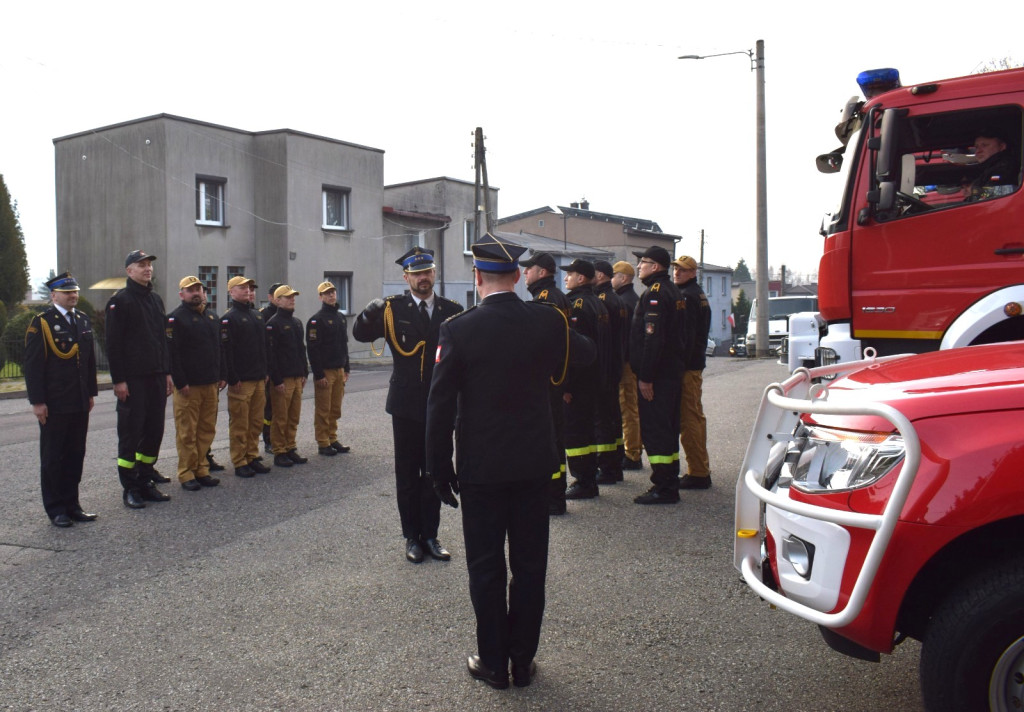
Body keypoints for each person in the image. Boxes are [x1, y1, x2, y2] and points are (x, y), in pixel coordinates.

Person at [425, 233, 595, 690]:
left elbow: (439, 407)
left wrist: (440, 470)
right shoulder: (547, 321)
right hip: (534, 464)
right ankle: (523, 660)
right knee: (529, 566)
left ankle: (494, 663)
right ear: (519, 276)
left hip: (481, 468)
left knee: (485, 566)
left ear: (477, 277)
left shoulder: (457, 329)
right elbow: (587, 355)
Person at [352, 247, 463, 564]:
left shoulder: (451, 309)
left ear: (434, 274)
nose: (422, 278)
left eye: (427, 272)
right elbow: (360, 334)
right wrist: (367, 313)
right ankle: (411, 537)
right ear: (406, 278)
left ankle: (431, 534)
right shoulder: (391, 310)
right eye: (416, 274)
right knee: (407, 474)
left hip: (440, 405)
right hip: (405, 405)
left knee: (434, 471)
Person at [23, 271, 98, 527]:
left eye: (75, 291)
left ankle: (72, 503)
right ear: (54, 295)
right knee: (54, 456)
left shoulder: (83, 320)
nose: (73, 296)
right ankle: (56, 508)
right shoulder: (42, 323)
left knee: (76, 453)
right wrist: (38, 402)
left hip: (78, 400)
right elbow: (33, 366)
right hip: (54, 403)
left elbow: (88, 362)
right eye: (67, 292)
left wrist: (90, 392)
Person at [105, 250, 174, 508]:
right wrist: (119, 380)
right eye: (141, 265)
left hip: (156, 376)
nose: (147, 269)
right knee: (131, 433)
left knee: (154, 430)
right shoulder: (120, 302)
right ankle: (130, 487)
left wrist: (166, 372)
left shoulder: (155, 300)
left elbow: (162, 340)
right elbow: (113, 344)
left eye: (149, 265)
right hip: (133, 380)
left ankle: (146, 480)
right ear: (129, 271)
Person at [630, 246, 685, 504]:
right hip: (672, 373)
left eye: (643, 262)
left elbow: (653, 338)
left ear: (656, 267)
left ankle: (663, 487)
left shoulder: (655, 294)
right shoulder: (674, 291)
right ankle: (669, 481)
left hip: (659, 377)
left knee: (656, 430)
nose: (638, 266)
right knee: (669, 428)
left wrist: (646, 376)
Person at [521, 251, 571, 515]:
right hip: (557, 379)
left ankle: (552, 497)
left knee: (549, 440)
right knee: (556, 439)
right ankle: (556, 494)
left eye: (529, 269)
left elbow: (541, 344)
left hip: (548, 382)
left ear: (542, 272)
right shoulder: (558, 297)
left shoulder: (544, 299)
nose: (525, 273)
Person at [167, 275, 226, 491]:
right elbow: (173, 354)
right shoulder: (175, 319)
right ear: (182, 294)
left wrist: (222, 374)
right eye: (190, 290)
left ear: (204, 292)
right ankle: (186, 472)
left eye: (198, 289)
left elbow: (219, 349)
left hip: (210, 383)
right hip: (188, 387)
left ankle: (202, 468)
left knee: (206, 430)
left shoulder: (212, 317)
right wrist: (180, 382)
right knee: (187, 432)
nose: (195, 293)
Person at [559, 258, 609, 501]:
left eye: (570, 274)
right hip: (594, 379)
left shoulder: (577, 305)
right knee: (588, 432)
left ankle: (583, 480)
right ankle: (588, 478)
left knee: (577, 434)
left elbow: (575, 349)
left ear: (581, 278)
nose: (566, 278)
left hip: (579, 382)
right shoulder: (597, 302)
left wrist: (566, 385)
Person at [220, 275, 271, 478]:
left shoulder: (257, 315)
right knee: (240, 422)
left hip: (258, 377)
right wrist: (232, 377)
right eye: (242, 288)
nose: (248, 291)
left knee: (256, 421)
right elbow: (226, 350)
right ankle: (240, 460)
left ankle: (252, 455)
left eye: (250, 288)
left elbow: (263, 347)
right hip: (241, 380)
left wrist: (265, 371)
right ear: (231, 292)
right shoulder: (229, 318)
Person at [671, 256, 712, 489]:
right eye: (675, 268)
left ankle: (698, 472)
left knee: (689, 420)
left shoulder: (687, 296)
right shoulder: (698, 294)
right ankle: (700, 466)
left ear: (693, 272)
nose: (677, 272)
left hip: (688, 366)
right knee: (695, 416)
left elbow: (684, 336)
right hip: (694, 364)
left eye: (682, 270)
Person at [265, 285, 309, 467]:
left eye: (293, 297)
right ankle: (279, 451)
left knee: (293, 416)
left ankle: (290, 447)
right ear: (278, 300)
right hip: (282, 379)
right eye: (287, 297)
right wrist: (276, 379)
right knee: (280, 417)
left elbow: (301, 349)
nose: (292, 300)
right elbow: (271, 354)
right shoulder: (272, 324)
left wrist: (304, 372)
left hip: (297, 377)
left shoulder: (297, 322)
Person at [592, 260, 627, 486]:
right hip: (615, 367)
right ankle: (614, 464)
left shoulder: (602, 301)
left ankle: (606, 468)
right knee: (613, 419)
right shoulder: (617, 299)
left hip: (605, 368)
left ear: (601, 276)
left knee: (603, 420)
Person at [307, 281, 351, 457]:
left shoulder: (340, 317)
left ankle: (333, 438)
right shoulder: (316, 320)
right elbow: (313, 349)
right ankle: (323, 441)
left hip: (339, 368)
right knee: (323, 409)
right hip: (325, 371)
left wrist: (346, 367)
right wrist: (318, 374)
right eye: (326, 293)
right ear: (320, 297)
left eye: (333, 292)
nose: (331, 295)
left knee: (335, 408)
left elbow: (344, 344)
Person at [611, 260, 642, 471]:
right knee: (630, 407)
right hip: (630, 361)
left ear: (623, 278)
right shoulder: (630, 298)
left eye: (614, 275)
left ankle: (632, 453)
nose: (611, 279)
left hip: (628, 363)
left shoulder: (626, 301)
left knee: (628, 407)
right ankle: (633, 449)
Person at [259, 283, 283, 454]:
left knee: (280, 409)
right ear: (270, 297)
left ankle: (281, 439)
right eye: (277, 295)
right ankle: (268, 440)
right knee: (268, 408)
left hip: (284, 370)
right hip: (269, 369)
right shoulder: (263, 316)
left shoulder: (288, 316)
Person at [964, 129, 1019, 201]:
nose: (978, 151)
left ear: (1002, 146)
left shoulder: (1004, 168)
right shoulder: (990, 168)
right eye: (976, 147)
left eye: (985, 145)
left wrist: (972, 195)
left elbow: (994, 198)